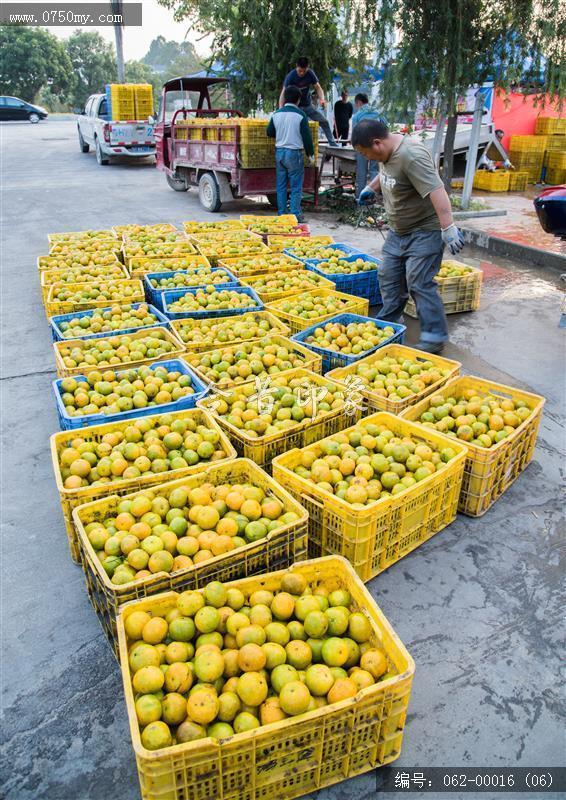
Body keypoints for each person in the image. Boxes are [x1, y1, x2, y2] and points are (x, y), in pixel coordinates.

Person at [353, 118, 465, 353]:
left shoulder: (411, 155)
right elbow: (387, 171)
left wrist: (448, 227)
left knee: (419, 281)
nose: (367, 159)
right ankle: (391, 322)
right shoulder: (386, 150)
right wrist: (370, 188)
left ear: (376, 143)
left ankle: (434, 336)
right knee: (389, 274)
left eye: (366, 154)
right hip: (399, 230)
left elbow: (437, 190)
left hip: (425, 229)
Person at [267, 85, 315, 221]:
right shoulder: (300, 115)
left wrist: (282, 132)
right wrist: (310, 155)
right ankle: (295, 214)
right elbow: (306, 138)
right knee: (296, 186)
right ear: (298, 100)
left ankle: (282, 213)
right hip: (294, 153)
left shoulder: (276, 114)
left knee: (281, 185)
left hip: (279, 153)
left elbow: (269, 132)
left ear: (285, 98)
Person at [279, 57, 338, 146]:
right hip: (295, 107)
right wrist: (281, 108)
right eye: (299, 71)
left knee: (324, 121)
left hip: (307, 106)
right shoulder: (291, 76)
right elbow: (283, 93)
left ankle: (332, 143)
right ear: (296, 66)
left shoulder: (310, 74)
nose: (302, 73)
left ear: (308, 67)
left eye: (304, 71)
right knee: (298, 127)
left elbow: (318, 88)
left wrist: (322, 99)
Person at [351, 93, 386, 196]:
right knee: (374, 170)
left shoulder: (357, 116)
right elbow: (385, 127)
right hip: (376, 145)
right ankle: (375, 195)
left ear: (359, 102)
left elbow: (354, 134)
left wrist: (354, 147)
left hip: (362, 147)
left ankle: (360, 197)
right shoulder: (378, 112)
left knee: (362, 172)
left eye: (356, 104)